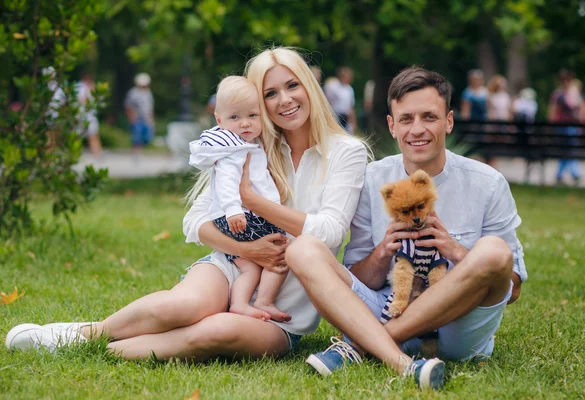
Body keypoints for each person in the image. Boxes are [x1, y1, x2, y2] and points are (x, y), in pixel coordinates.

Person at [6, 47, 368, 363]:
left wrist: (251, 200)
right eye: (270, 93)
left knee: (210, 332)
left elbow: (329, 232)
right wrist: (250, 250)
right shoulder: (248, 146)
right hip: (229, 265)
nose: (284, 100)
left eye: (292, 85)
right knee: (181, 307)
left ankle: (98, 347)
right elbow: (196, 221)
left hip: (283, 312)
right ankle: (79, 336)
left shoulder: (345, 153)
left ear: (311, 86)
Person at [285, 67, 527, 390]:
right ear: (392, 126)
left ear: (449, 121)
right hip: (389, 307)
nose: (418, 130)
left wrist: (454, 250)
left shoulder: (488, 183)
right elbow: (358, 279)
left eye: (429, 117)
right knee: (302, 248)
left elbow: (512, 288)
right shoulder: (373, 179)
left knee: (496, 251)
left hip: (456, 330)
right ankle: (401, 362)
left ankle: (362, 346)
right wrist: (383, 252)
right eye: (406, 119)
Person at [187, 76, 289, 322]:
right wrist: (234, 209)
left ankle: (240, 303)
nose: (245, 123)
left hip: (232, 217)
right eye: (235, 117)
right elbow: (226, 181)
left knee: (251, 267)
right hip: (239, 216)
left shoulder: (246, 145)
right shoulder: (233, 150)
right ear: (219, 120)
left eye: (252, 116)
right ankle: (264, 300)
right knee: (283, 250)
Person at [548, 69, 582, 185]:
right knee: (567, 150)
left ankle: (562, 174)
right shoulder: (564, 94)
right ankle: (574, 173)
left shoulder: (565, 94)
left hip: (567, 127)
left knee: (567, 151)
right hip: (566, 127)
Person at [124, 72, 155, 152]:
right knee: (137, 138)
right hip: (137, 119)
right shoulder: (133, 93)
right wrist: (131, 119)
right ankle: (136, 153)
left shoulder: (148, 93)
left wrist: (151, 118)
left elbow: (149, 107)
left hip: (146, 119)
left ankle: (140, 152)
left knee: (147, 138)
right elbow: (129, 107)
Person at [75, 72, 103, 157]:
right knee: (78, 135)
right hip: (81, 114)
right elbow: (82, 100)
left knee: (93, 134)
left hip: (90, 115)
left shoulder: (92, 86)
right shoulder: (79, 87)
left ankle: (97, 153)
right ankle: (75, 153)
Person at [325, 67, 356, 133]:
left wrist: (353, 122)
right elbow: (328, 101)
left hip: (345, 116)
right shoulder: (333, 86)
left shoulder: (349, 89)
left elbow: (350, 107)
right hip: (336, 114)